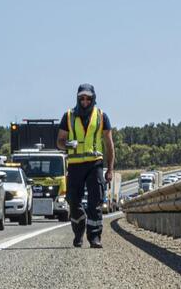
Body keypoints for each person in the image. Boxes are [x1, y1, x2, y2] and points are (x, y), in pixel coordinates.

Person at [57, 83, 115, 248]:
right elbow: (59, 142)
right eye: (81, 98)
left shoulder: (102, 117)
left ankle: (94, 237)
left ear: (93, 98)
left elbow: (109, 145)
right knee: (73, 201)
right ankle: (78, 231)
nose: (84, 101)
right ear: (77, 98)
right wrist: (68, 144)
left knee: (95, 200)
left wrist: (110, 169)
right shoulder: (68, 116)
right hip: (75, 165)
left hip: (94, 164)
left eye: (88, 98)